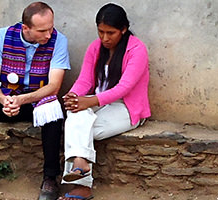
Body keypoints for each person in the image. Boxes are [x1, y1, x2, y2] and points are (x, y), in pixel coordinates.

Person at [0, 2, 70, 199]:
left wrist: (21, 100)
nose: (49, 35)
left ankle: (50, 178)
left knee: (54, 110)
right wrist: (5, 100)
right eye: (42, 30)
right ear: (26, 28)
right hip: (7, 99)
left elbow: (53, 86)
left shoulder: (59, 41)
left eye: (51, 28)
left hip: (36, 101)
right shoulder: (1, 36)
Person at [58, 3, 150, 200]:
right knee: (75, 113)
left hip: (127, 107)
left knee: (82, 128)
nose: (105, 38)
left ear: (123, 30)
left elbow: (124, 88)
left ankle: (80, 184)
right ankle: (81, 167)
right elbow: (85, 80)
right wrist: (73, 96)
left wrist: (89, 102)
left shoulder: (137, 49)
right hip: (99, 104)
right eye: (101, 32)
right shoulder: (95, 47)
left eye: (111, 33)